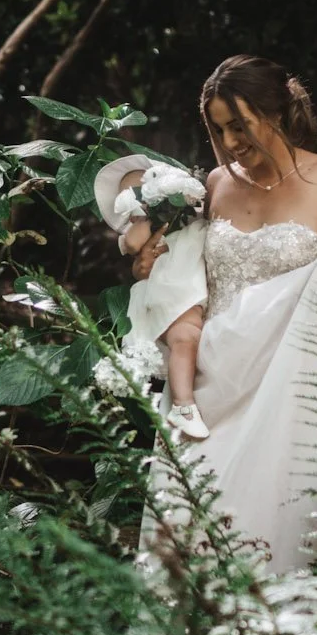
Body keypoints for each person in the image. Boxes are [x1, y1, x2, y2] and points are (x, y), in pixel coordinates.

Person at [127, 52, 317, 577]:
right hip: (211, 380)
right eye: (220, 130)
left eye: (240, 124)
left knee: (277, 519)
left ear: (280, 110)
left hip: (293, 379)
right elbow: (183, 269)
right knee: (197, 523)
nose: (232, 142)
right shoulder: (213, 186)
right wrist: (149, 259)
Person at [93, 157, 210, 440]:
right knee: (185, 335)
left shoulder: (185, 214)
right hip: (171, 285)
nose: (141, 190)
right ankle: (183, 404)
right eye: (130, 190)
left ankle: (185, 401)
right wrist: (145, 213)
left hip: (194, 280)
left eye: (143, 181)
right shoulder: (143, 224)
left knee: (190, 338)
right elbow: (133, 244)